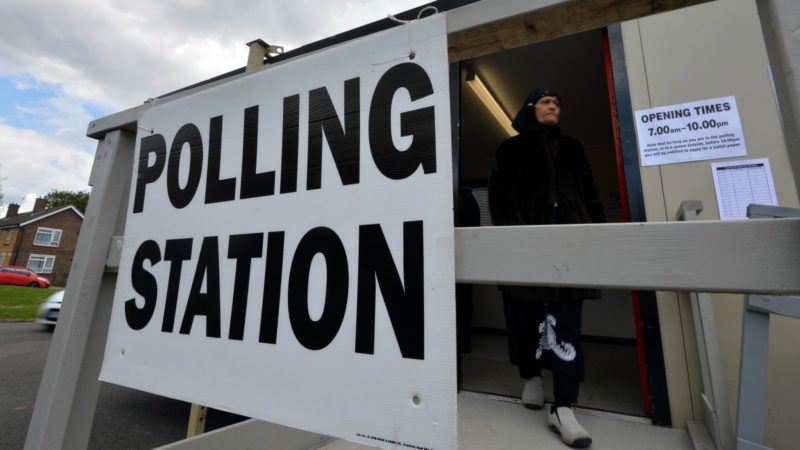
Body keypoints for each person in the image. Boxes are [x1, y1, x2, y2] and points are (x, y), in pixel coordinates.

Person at [488, 88, 605, 449]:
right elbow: (500, 199)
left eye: (557, 101)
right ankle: (531, 376)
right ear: (529, 109)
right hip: (527, 250)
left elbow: (591, 194)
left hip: (571, 250)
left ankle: (564, 408)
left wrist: (600, 237)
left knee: (567, 320)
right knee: (525, 315)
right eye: (545, 102)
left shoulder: (573, 147)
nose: (554, 105)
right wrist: (519, 240)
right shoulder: (510, 150)